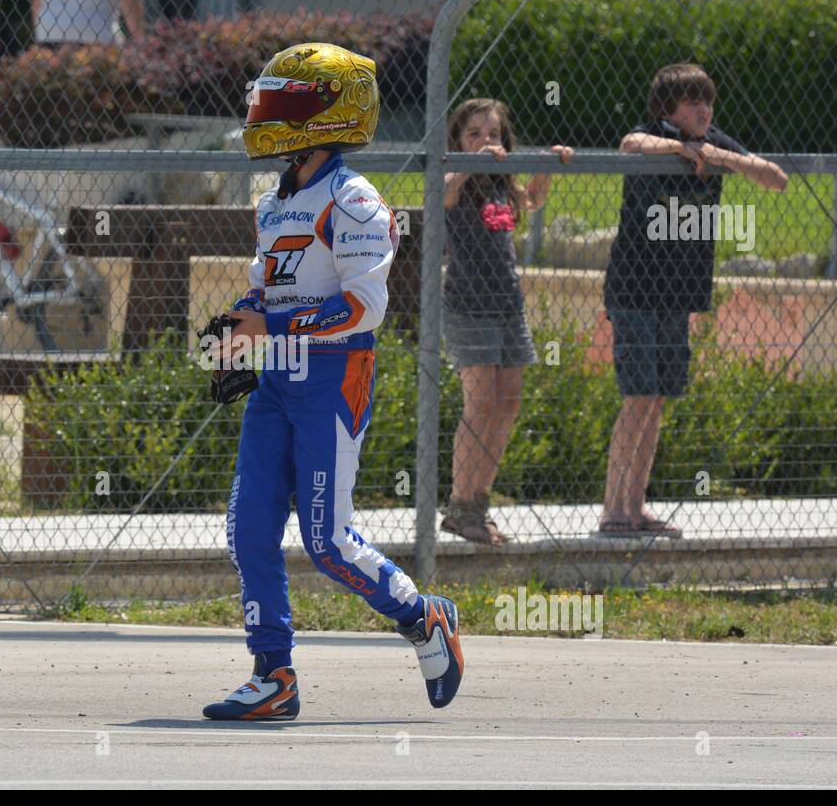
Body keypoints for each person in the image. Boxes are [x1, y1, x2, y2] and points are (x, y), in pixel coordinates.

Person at [201, 42, 464, 721]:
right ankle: (273, 675)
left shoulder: (353, 200)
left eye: (285, 103)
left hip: (332, 378)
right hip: (278, 383)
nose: (267, 114)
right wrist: (238, 328)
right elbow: (268, 290)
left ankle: (421, 615)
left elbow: (362, 308)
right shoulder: (274, 201)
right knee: (249, 529)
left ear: (332, 115)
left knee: (328, 542)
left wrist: (273, 333)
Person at [598, 63, 787, 538]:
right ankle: (613, 511)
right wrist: (679, 149)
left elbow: (776, 179)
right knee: (637, 396)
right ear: (668, 109)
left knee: (657, 400)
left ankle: (636, 508)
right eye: (691, 101)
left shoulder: (716, 142)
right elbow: (629, 144)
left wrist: (723, 157)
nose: (703, 109)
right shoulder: (651, 136)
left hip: (677, 293)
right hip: (635, 287)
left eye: (707, 100)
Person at [441, 98, 572, 544]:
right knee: (479, 403)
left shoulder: (501, 187)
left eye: (493, 135)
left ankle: (479, 500)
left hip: (507, 306)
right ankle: (460, 505)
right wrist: (468, 163)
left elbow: (531, 200)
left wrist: (548, 164)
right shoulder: (454, 181)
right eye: (474, 134)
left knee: (508, 401)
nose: (485, 142)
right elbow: (440, 192)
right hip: (468, 306)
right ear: (458, 141)